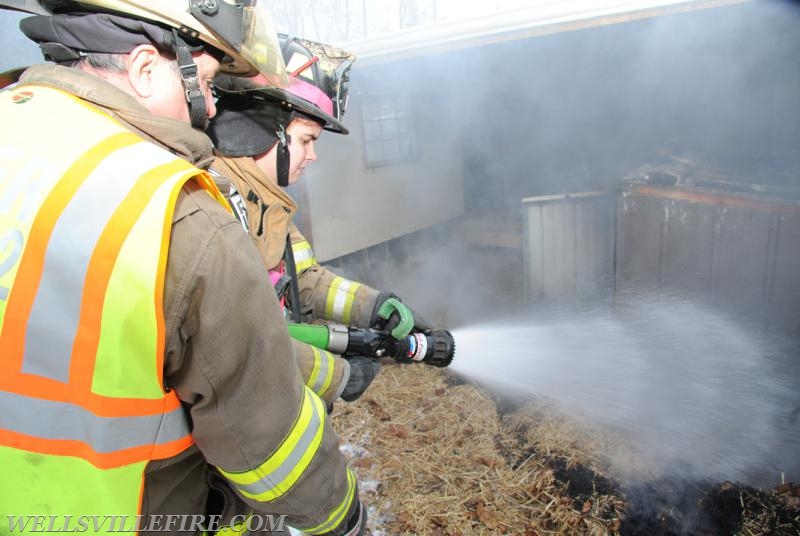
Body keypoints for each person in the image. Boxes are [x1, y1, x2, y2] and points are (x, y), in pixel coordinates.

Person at [0, 2, 365, 535]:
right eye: (210, 82)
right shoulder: (176, 211)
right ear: (145, 68)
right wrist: (342, 518)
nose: (215, 110)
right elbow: (262, 430)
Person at [207, 35, 432, 406]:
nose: (312, 156)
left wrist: (376, 307)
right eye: (306, 139)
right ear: (264, 129)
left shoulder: (267, 204)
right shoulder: (215, 207)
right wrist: (337, 375)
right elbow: (240, 343)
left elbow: (306, 280)